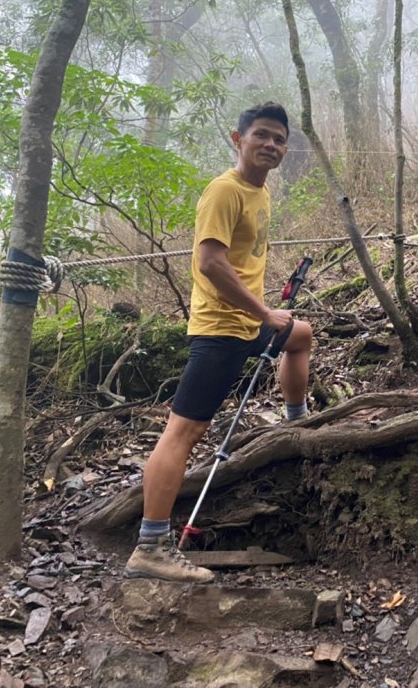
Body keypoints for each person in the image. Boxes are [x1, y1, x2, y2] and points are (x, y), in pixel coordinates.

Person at [125, 102, 313, 583]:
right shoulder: (224, 191)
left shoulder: (261, 192)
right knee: (183, 433)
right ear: (238, 138)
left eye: (278, 138)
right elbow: (209, 263)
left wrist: (267, 316)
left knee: (302, 336)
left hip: (249, 325)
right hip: (220, 331)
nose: (271, 144)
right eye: (262, 135)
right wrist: (264, 312)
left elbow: (241, 261)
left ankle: (295, 423)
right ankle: (150, 547)